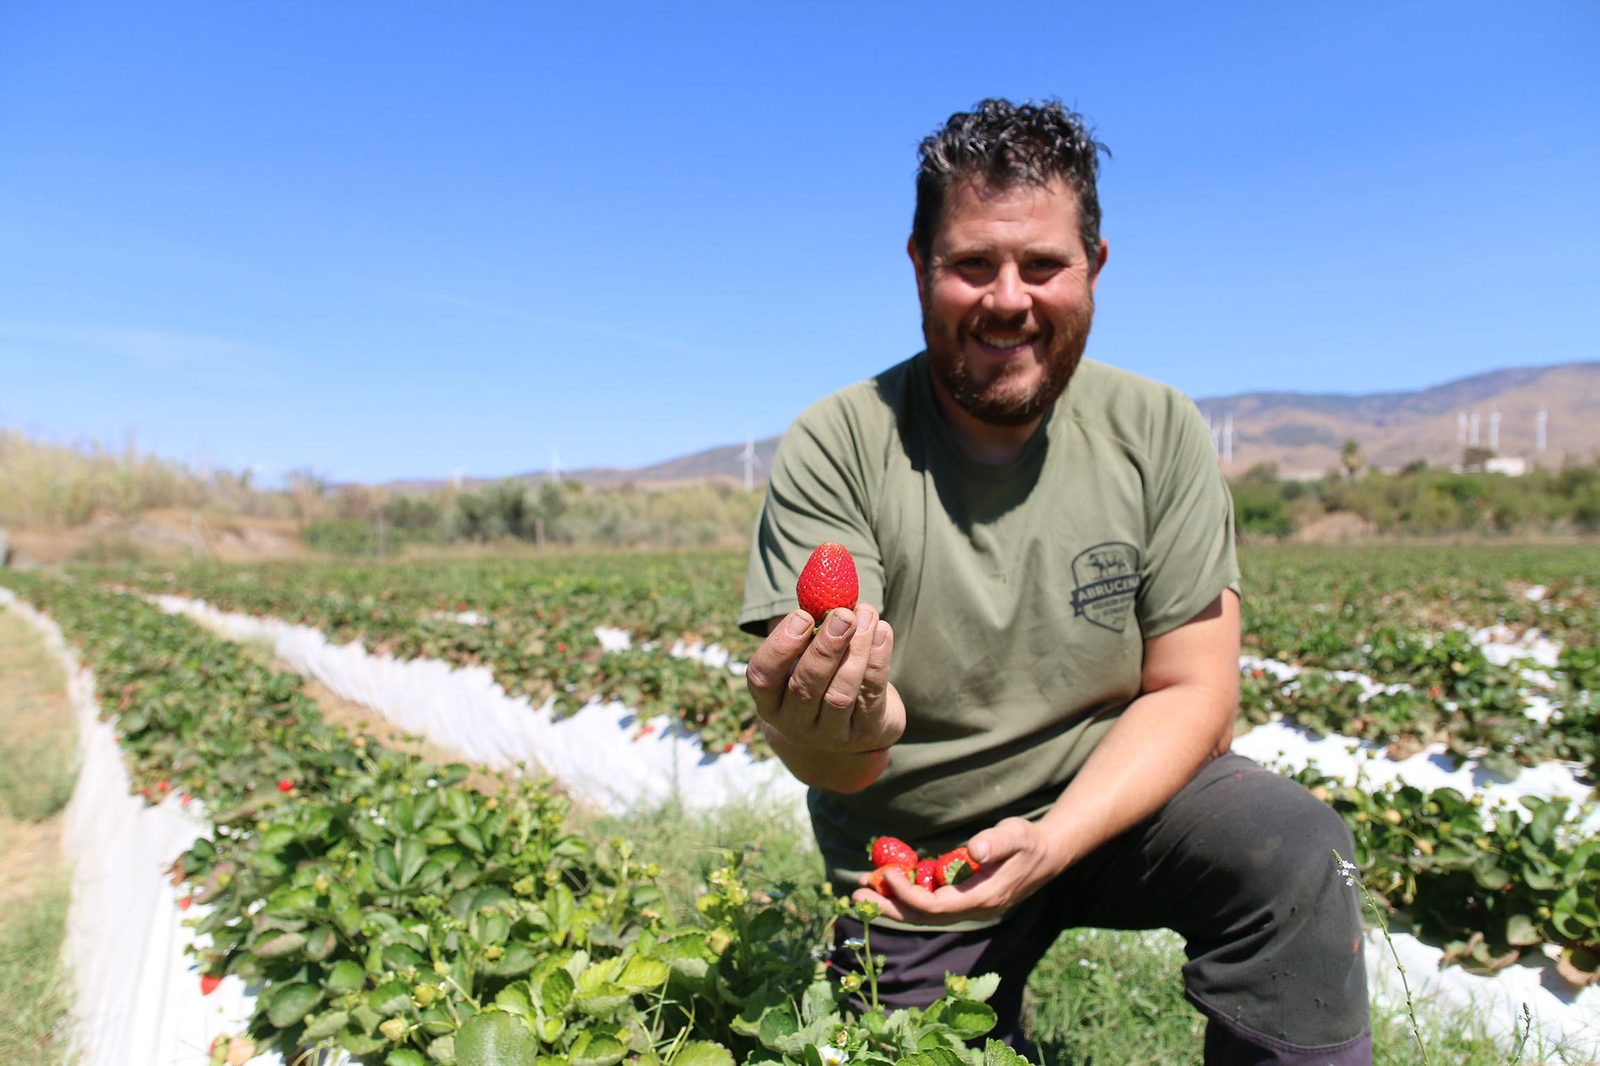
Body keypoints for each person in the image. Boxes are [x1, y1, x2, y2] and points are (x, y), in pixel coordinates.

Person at [738, 98, 1370, 1066]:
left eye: (1042, 265)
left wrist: (1056, 838)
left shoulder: (1155, 427)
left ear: (1094, 266)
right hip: (920, 857)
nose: (1006, 298)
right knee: (905, 1049)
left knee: (1287, 843)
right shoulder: (844, 437)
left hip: (1116, 803)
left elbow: (1196, 689)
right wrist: (822, 728)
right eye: (970, 265)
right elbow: (843, 760)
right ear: (918, 265)